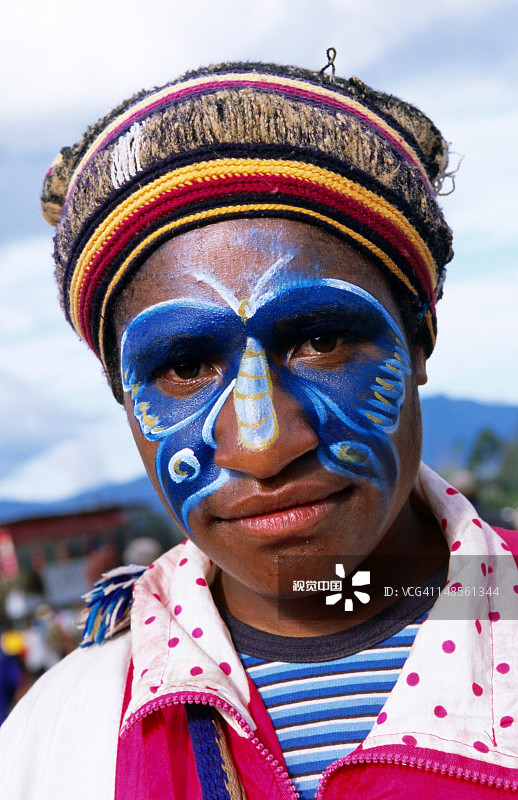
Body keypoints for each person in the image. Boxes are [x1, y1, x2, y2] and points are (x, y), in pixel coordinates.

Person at [1, 58, 517, 799]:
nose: (266, 444)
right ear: (123, 397)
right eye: (183, 364)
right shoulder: (57, 744)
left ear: (420, 337)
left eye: (322, 339)